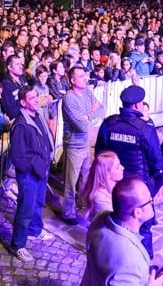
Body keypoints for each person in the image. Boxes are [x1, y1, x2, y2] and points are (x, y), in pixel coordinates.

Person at [94, 85, 163, 258]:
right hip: (139, 185)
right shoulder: (145, 128)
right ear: (137, 106)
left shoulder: (109, 123)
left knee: (118, 223)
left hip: (115, 184)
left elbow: (100, 154)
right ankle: (145, 265)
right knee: (144, 227)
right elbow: (157, 162)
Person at [80, 176, 163, 286]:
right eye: (149, 200)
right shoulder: (130, 262)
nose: (152, 200)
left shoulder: (100, 216)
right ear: (137, 212)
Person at [7, 85, 54, 263]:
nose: (36, 100)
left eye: (37, 96)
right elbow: (18, 158)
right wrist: (35, 166)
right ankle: (17, 245)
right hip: (29, 175)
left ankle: (35, 230)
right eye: (32, 98)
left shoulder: (37, 115)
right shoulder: (20, 125)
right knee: (26, 208)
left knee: (38, 203)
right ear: (23, 102)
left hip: (41, 170)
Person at [61, 66, 105, 226]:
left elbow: (101, 110)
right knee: (70, 182)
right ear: (72, 80)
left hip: (85, 143)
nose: (85, 79)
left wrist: (88, 116)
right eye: (81, 76)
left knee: (85, 177)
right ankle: (67, 213)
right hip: (73, 144)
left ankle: (82, 204)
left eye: (85, 76)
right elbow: (81, 125)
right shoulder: (69, 98)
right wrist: (88, 117)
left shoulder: (86, 92)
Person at [80, 150, 124, 218]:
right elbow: (116, 221)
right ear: (107, 174)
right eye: (117, 167)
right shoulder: (100, 197)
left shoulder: (116, 188)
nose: (123, 168)